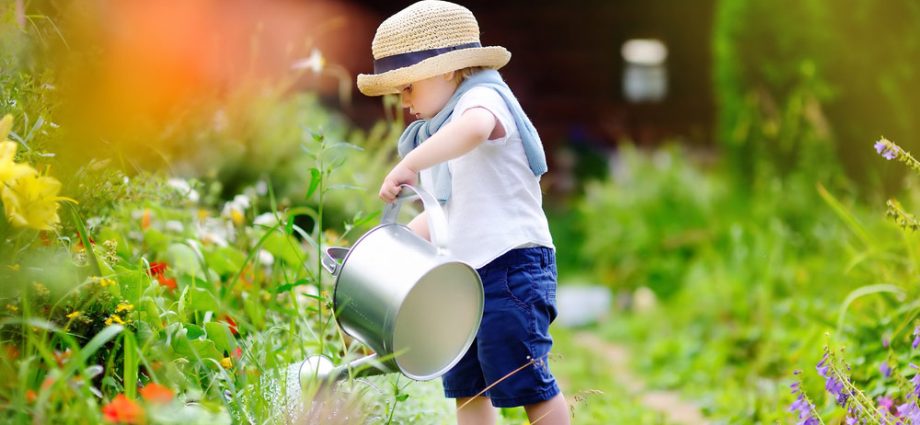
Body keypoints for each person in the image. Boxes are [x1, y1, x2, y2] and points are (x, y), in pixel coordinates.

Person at [357, 1, 569, 424]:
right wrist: (387, 250)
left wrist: (411, 162)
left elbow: (473, 130)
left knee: (525, 378)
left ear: (448, 70)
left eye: (408, 87)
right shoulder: (442, 134)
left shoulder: (484, 99)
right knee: (468, 388)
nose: (403, 101)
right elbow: (444, 217)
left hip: (511, 267)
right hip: (462, 279)